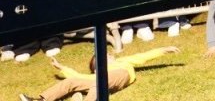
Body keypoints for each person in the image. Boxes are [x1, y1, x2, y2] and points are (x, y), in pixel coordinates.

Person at [19, 46, 180, 101]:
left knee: (97, 85)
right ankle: (41, 99)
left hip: (120, 75)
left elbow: (143, 57)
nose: (110, 55)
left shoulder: (122, 62)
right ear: (97, 66)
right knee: (74, 83)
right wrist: (60, 67)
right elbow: (74, 77)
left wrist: (163, 50)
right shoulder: (93, 76)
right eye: (106, 56)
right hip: (98, 81)